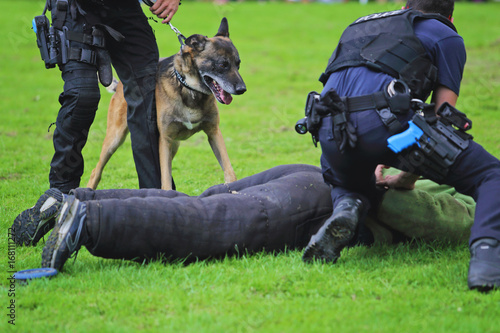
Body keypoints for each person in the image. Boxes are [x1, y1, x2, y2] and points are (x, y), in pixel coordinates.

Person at [302, 0, 500, 292]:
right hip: (391, 127)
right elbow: (443, 116)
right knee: (490, 175)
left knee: (347, 182)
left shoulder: (358, 24)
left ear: (405, 7)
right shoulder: (445, 34)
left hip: (330, 131)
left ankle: (348, 204)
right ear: (449, 15)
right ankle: (486, 259)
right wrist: (407, 177)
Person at [10, 164, 474, 271]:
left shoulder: (457, 175)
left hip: (308, 174)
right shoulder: (467, 196)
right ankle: (88, 221)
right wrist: (392, 182)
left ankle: (75, 200)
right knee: (214, 220)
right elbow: (434, 219)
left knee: (198, 202)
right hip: (324, 195)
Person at [42, 0, 179, 194]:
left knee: (147, 99)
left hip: (126, 8)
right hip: (77, 9)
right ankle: (60, 195)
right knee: (82, 96)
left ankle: (157, 200)